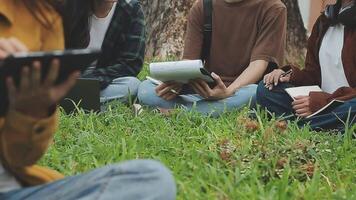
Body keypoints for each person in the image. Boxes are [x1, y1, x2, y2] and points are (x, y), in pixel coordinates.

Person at [0, 0, 176, 199]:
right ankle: (73, 96)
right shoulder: (74, 9)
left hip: (101, 83)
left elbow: (130, 64)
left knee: (152, 178)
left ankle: (73, 97)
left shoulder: (47, 18)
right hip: (73, 84)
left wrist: (31, 111)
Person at [138, 0, 287, 117]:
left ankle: (176, 112)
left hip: (243, 90)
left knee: (255, 94)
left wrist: (228, 92)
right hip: (205, 88)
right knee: (146, 89)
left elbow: (258, 65)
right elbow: (189, 62)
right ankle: (208, 109)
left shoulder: (273, 8)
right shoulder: (203, 7)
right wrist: (177, 81)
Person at [257, 0, 356, 132]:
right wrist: (289, 75)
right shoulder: (324, 21)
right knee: (266, 89)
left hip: (344, 103)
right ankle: (325, 125)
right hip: (319, 104)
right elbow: (313, 74)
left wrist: (321, 102)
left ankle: (298, 127)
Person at [62, 0, 145, 103]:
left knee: (132, 86)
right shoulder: (71, 6)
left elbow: (131, 64)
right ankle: (78, 100)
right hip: (69, 80)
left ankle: (70, 101)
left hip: (103, 80)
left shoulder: (131, 9)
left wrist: (89, 80)